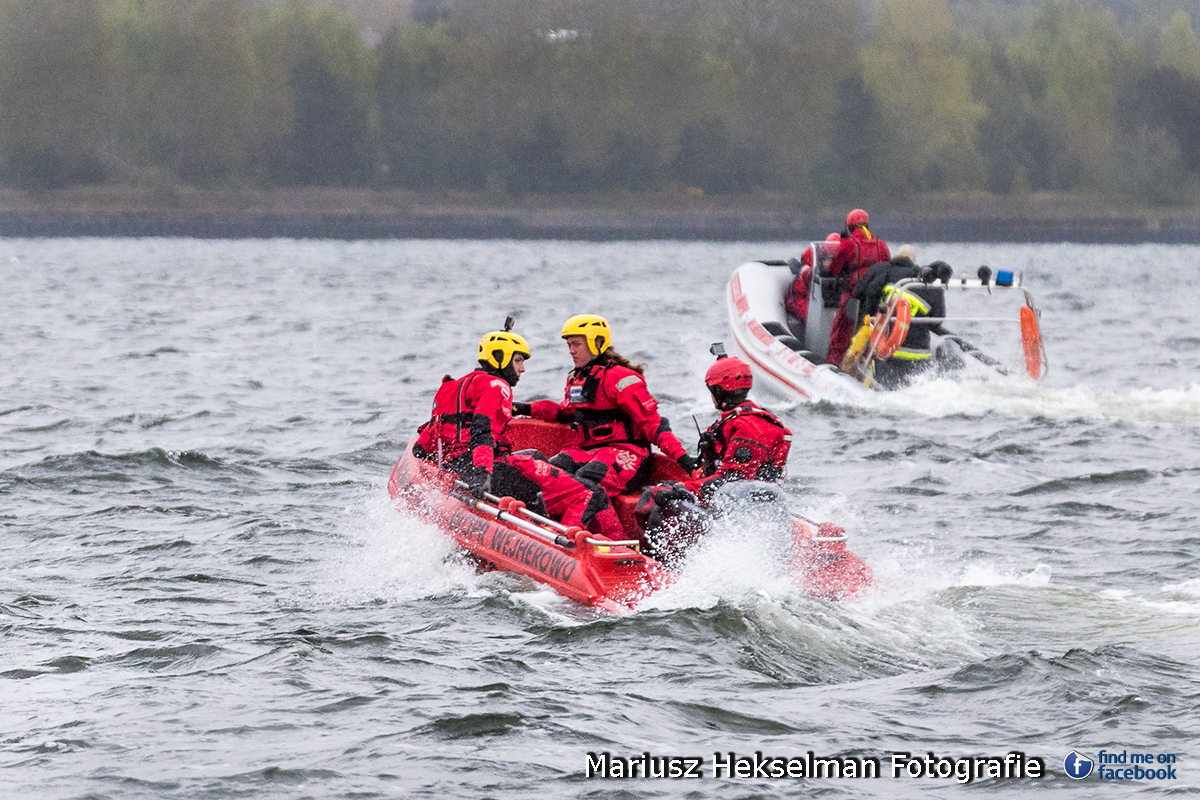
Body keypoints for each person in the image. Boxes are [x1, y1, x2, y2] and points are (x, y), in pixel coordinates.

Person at [413, 327, 617, 537]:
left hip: (459, 470)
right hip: (487, 472)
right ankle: (576, 546)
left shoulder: (450, 388)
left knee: (536, 458)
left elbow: (421, 448)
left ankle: (535, 517)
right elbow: (483, 430)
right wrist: (482, 473)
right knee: (591, 493)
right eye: (518, 360)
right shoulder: (496, 385)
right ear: (500, 358)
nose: (522, 369)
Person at [525, 314, 696, 535]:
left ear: (597, 342)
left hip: (628, 452)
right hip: (590, 451)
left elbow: (653, 423)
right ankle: (538, 522)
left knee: (586, 484)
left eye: (576, 344)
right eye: (569, 345)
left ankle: (615, 543)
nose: (571, 351)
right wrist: (524, 408)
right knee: (548, 472)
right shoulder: (578, 378)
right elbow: (566, 411)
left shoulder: (621, 378)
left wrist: (684, 459)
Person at [635, 351, 792, 563]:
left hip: (733, 506)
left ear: (719, 390)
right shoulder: (750, 420)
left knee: (655, 497)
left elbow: (733, 480)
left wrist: (682, 489)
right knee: (665, 488)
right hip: (742, 505)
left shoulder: (746, 425)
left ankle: (659, 566)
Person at [842, 246, 954, 388]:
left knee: (884, 385)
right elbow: (937, 321)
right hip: (920, 353)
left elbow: (870, 291)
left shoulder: (890, 276)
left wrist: (870, 316)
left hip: (890, 353)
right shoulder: (935, 290)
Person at [825, 208, 890, 367]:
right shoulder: (880, 245)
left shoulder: (848, 244)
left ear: (850, 226)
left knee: (841, 336)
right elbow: (887, 268)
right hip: (874, 300)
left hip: (852, 298)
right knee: (872, 336)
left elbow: (834, 269)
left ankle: (835, 367)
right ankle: (868, 367)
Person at [783, 232, 841, 341]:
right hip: (804, 299)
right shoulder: (809, 269)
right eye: (829, 259)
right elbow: (808, 285)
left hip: (823, 302)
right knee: (815, 319)